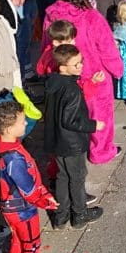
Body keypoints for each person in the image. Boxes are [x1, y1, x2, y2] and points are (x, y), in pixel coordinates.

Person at [42, 0, 123, 164]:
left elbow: (46, 46)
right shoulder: (91, 17)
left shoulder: (51, 14)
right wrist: (117, 70)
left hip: (63, 72)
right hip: (93, 73)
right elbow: (107, 48)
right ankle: (101, 151)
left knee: (67, 115)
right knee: (100, 114)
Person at [42, 43, 105, 230]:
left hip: (57, 141)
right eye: (76, 64)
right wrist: (94, 125)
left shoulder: (53, 83)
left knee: (62, 177)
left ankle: (61, 216)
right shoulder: (72, 90)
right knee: (77, 177)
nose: (81, 67)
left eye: (81, 62)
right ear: (63, 67)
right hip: (72, 143)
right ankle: (79, 213)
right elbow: (70, 120)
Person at [0, 102, 57, 253]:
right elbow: (28, 188)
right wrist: (44, 200)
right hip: (22, 209)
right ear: (9, 129)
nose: (25, 123)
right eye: (22, 121)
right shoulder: (14, 158)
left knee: (18, 240)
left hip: (10, 207)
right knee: (31, 243)